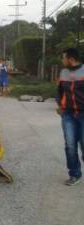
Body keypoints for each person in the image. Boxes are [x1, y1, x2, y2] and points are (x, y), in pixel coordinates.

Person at [57, 48, 84, 186]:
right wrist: (60, 106)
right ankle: (75, 174)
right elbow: (60, 91)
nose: (62, 60)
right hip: (68, 114)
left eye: (64, 57)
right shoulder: (63, 72)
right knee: (70, 145)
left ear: (71, 59)